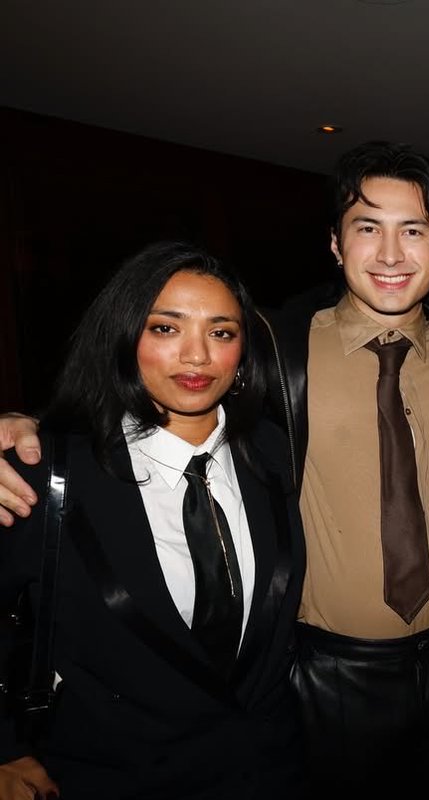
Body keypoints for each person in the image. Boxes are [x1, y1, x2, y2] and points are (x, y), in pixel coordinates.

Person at [0, 141, 429, 796]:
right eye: (367, 228)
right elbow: (150, 394)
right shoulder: (273, 346)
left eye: (412, 231)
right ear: (334, 244)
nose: (389, 254)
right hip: (324, 673)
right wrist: (26, 426)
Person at [0, 242, 305, 800]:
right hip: (114, 777)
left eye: (221, 332)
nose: (197, 356)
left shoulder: (274, 454)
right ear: (124, 339)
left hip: (266, 771)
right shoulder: (44, 472)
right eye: (166, 329)